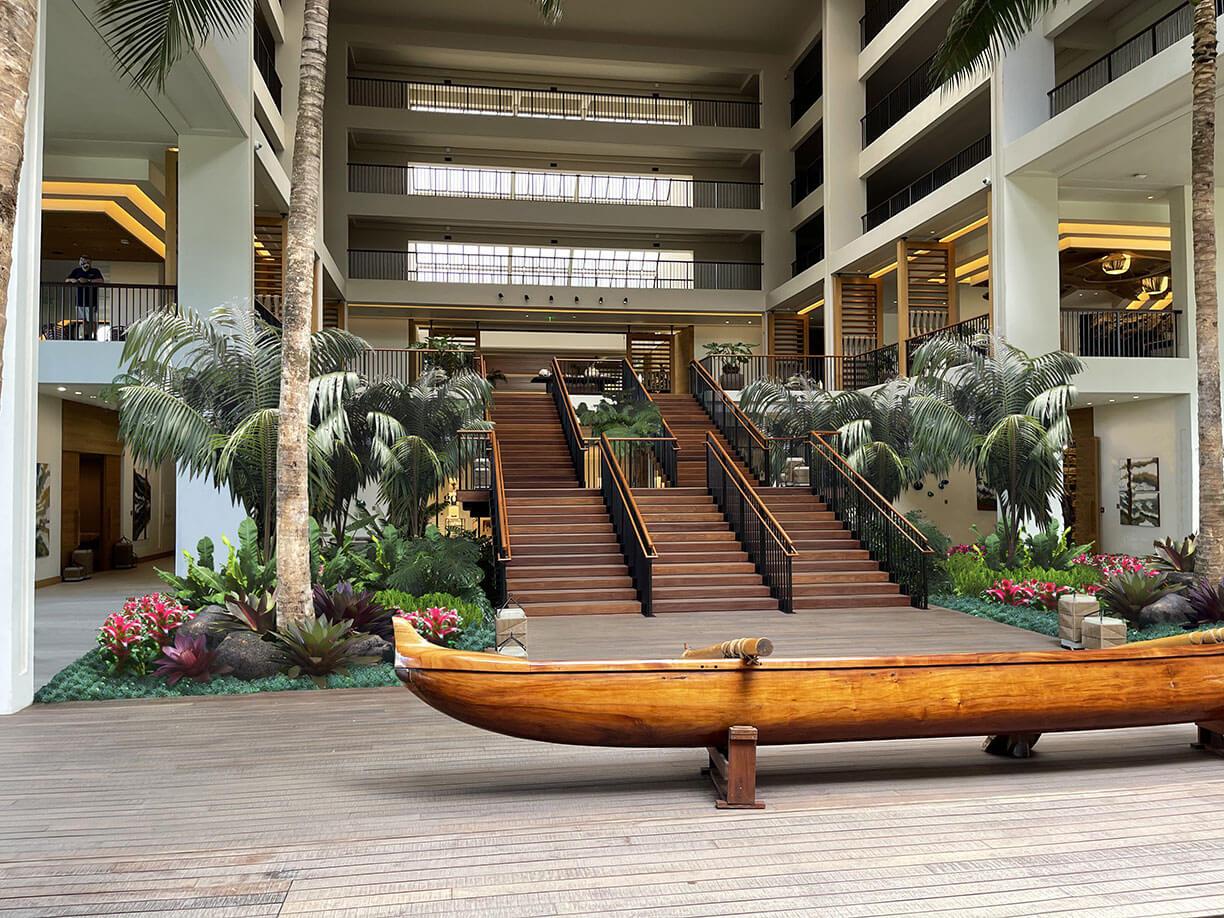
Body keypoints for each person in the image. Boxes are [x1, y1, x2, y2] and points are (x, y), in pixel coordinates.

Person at [65, 255, 104, 339]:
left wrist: (88, 280)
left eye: (87, 261)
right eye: (83, 261)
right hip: (79, 300)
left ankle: (93, 336)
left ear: (90, 262)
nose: (85, 263)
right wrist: (74, 280)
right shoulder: (76, 271)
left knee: (92, 320)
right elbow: (67, 280)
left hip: (91, 300)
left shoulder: (95, 271)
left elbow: (101, 281)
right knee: (82, 320)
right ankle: (86, 335)